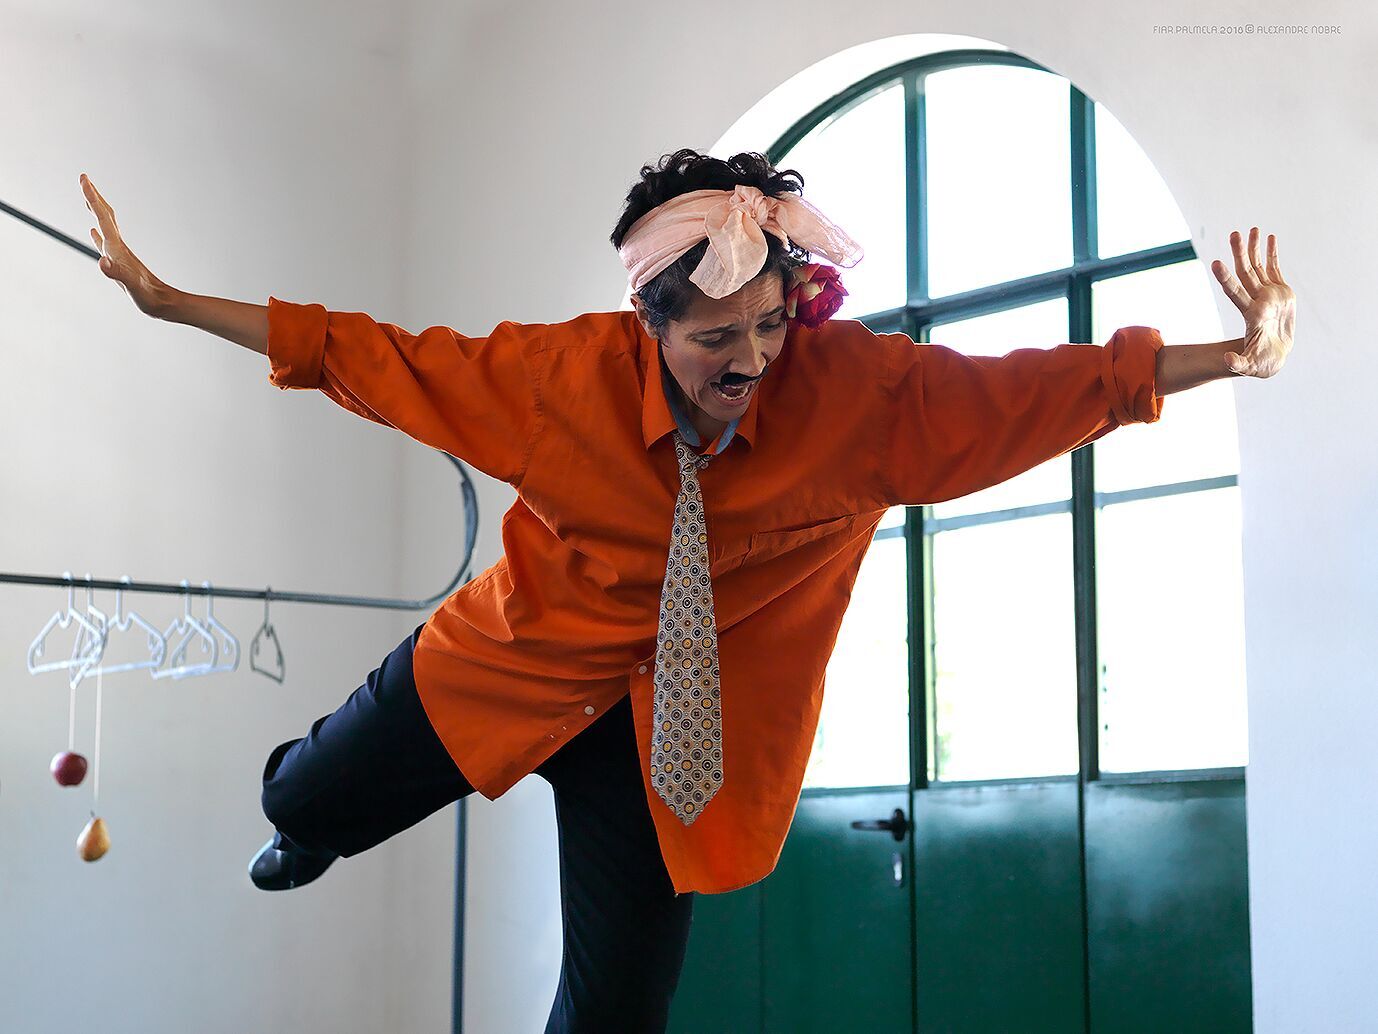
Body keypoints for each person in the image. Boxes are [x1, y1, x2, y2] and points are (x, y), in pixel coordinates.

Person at [77, 151, 1294, 1030]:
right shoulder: (557, 378)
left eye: (768, 326)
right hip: (518, 655)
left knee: (620, 1007)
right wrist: (171, 300)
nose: (750, 359)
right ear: (650, 322)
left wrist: (1231, 355)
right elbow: (372, 357)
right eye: (717, 337)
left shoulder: (859, 398)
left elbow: (1039, 388)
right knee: (303, 792)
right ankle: (306, 821)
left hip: (675, 733)